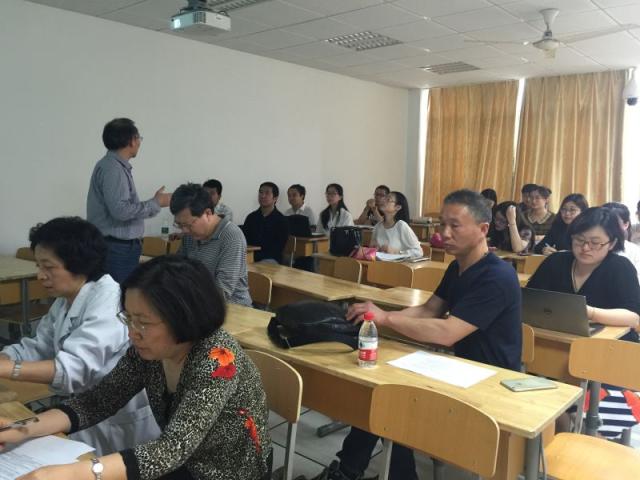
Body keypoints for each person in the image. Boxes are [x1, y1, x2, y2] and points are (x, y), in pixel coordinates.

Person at [0, 256, 272, 480]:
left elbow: (171, 449)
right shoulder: (149, 348)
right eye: (128, 318)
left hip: (225, 470)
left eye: (143, 322)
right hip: (181, 460)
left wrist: (68, 474)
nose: (132, 332)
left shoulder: (218, 359)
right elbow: (98, 401)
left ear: (183, 317)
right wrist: (18, 428)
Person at [315, 189, 522, 480]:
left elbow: (448, 332)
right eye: (442, 224)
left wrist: (386, 318)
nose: (444, 233)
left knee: (394, 402)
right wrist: (377, 316)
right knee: (383, 392)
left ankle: (355, 471)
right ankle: (351, 470)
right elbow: (429, 310)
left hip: (490, 382)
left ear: (483, 229)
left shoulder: (497, 276)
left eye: (455, 225)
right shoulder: (457, 267)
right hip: (460, 369)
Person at [0, 217, 159, 455]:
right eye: (39, 266)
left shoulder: (109, 300)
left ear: (78, 263)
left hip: (119, 422)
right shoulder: (65, 301)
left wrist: (8, 369)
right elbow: (39, 346)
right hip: (86, 409)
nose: (41, 276)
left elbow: (72, 370)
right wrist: (6, 357)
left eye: (48, 267)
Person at [527, 207, 640, 438]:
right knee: (540, 400)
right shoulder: (557, 261)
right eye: (579, 240)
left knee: (590, 411)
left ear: (612, 243)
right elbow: (529, 298)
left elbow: (633, 316)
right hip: (557, 350)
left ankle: (586, 438)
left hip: (609, 357)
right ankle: (558, 439)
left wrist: (589, 313)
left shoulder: (620, 268)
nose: (585, 248)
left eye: (595, 242)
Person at [87, 118, 172, 283]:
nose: (140, 142)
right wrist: (156, 203)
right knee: (118, 295)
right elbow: (121, 211)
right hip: (116, 248)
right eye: (139, 138)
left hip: (116, 247)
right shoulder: (113, 169)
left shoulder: (112, 165)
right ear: (132, 141)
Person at [170, 183, 251, 306]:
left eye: (188, 224)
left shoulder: (231, 237)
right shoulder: (190, 235)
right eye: (179, 225)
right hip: (197, 301)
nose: (184, 230)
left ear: (208, 213)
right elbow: (178, 270)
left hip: (232, 307)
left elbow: (222, 292)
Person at [241, 182, 289, 263]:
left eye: (267, 193)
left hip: (270, 258)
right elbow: (243, 240)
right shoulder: (251, 217)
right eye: (260, 192)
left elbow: (277, 248)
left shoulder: (282, 220)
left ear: (275, 198)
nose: (262, 196)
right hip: (250, 256)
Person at [371, 191, 422, 258]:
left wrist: (397, 252)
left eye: (388, 199)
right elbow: (372, 250)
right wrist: (373, 248)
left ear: (397, 207)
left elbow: (418, 252)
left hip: (398, 264)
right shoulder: (378, 226)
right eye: (384, 198)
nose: (383, 200)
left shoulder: (401, 226)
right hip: (381, 263)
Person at [602, 202, 640, 282]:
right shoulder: (589, 246)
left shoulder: (635, 251)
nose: (607, 226)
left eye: (613, 223)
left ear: (626, 224)